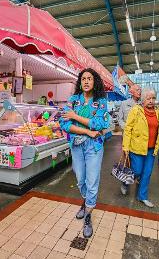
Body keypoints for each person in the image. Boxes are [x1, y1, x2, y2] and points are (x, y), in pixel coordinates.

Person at [59, 68, 110, 237]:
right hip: (76, 145)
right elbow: (64, 124)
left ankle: (88, 215)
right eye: (83, 79)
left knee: (92, 180)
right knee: (80, 178)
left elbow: (101, 124)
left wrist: (76, 117)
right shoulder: (73, 100)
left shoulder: (101, 101)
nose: (86, 81)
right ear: (80, 83)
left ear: (94, 81)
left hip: (94, 146)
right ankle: (86, 202)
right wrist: (87, 131)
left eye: (89, 78)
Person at [121, 88, 159, 207]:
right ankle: (125, 182)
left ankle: (142, 196)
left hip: (151, 150)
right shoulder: (136, 110)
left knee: (146, 173)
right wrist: (125, 147)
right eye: (148, 98)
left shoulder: (157, 112)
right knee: (137, 171)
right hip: (136, 148)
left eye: (153, 98)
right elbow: (128, 129)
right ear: (143, 99)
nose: (151, 101)